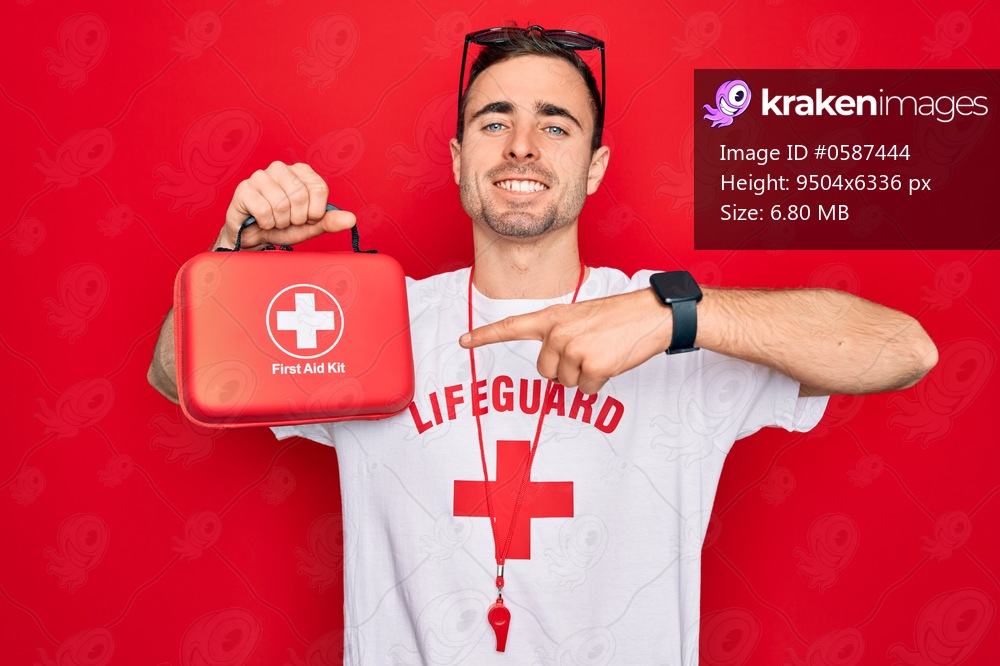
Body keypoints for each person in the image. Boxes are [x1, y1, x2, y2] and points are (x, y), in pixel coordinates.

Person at [148, 25, 936, 664]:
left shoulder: (668, 326)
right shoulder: (375, 321)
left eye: (554, 125)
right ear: (459, 160)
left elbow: (904, 349)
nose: (522, 145)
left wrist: (675, 317)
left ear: (594, 169)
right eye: (494, 121)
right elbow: (173, 375)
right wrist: (235, 258)